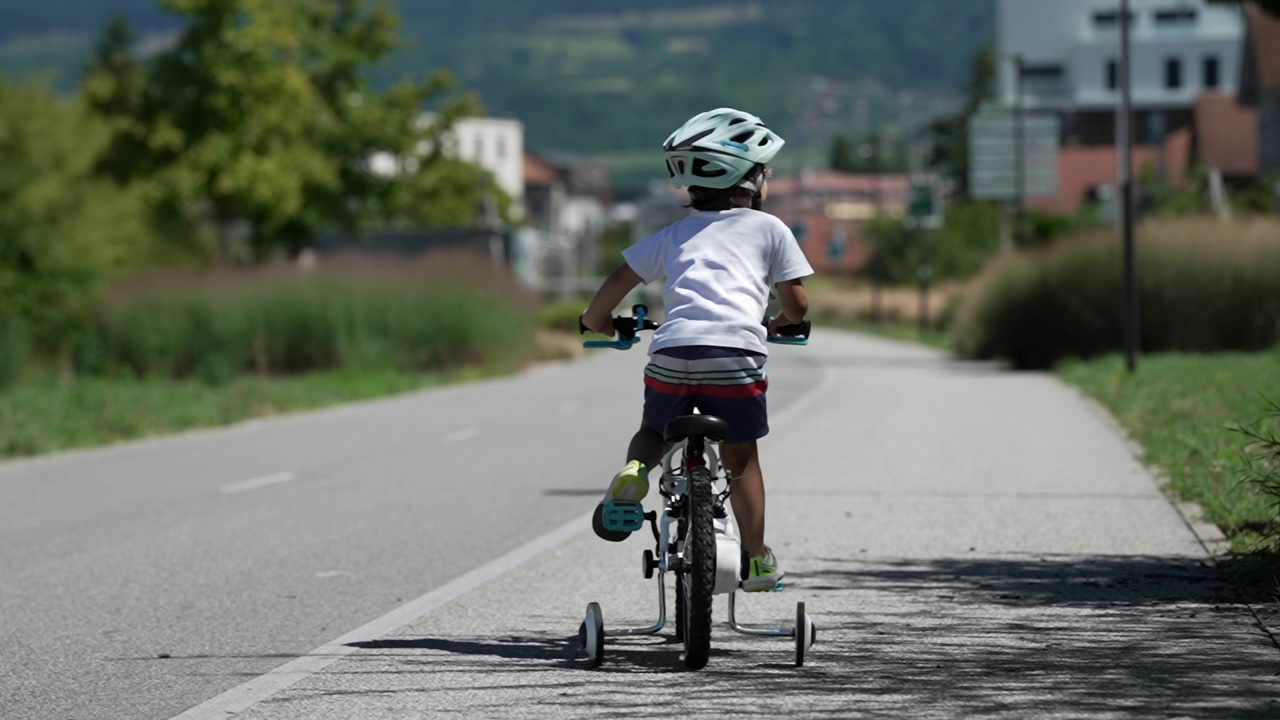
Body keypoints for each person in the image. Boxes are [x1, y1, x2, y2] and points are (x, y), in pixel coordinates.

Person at [579, 108, 813, 592]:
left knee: (653, 429)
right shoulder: (770, 231)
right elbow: (798, 302)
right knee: (742, 458)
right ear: (749, 179)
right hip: (735, 358)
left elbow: (619, 280)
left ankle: (635, 471)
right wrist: (784, 321)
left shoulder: (672, 235)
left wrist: (595, 321)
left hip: (672, 353)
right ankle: (755, 559)